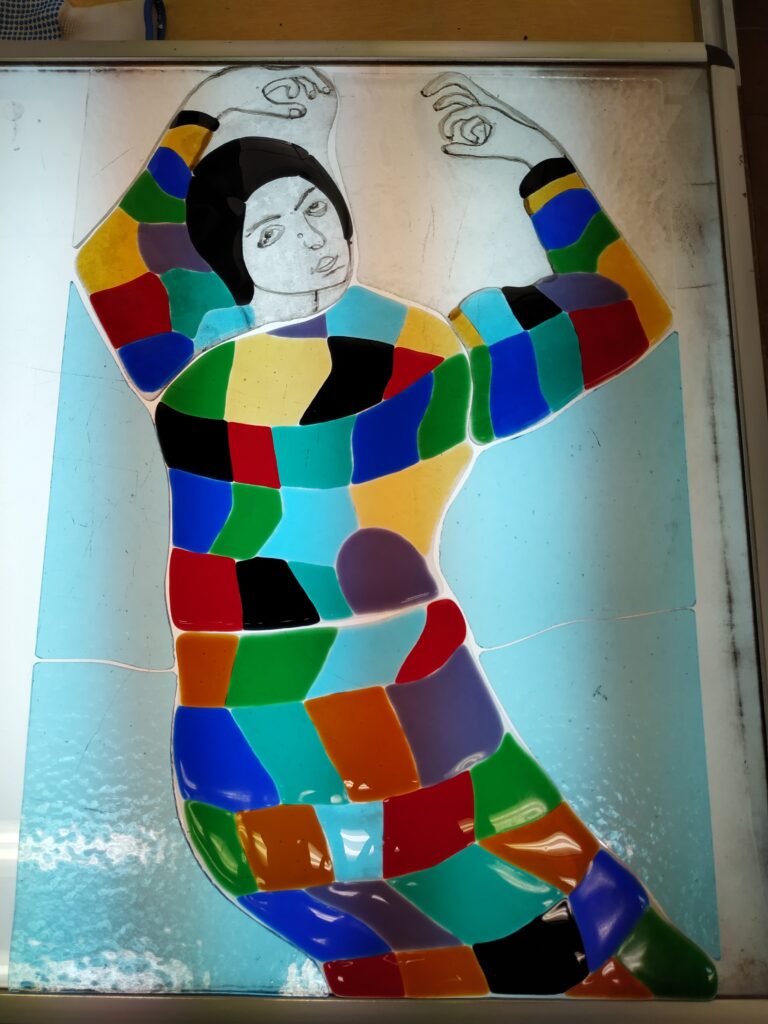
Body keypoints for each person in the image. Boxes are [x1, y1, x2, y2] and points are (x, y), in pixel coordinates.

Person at [76, 65, 717, 999]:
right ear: (233, 261)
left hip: (415, 727)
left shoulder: (422, 363)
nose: (307, 240)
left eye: (314, 210)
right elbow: (116, 260)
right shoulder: (215, 371)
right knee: (526, 955)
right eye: (267, 231)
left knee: (592, 952)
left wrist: (539, 161)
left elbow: (626, 313)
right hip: (273, 747)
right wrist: (210, 104)